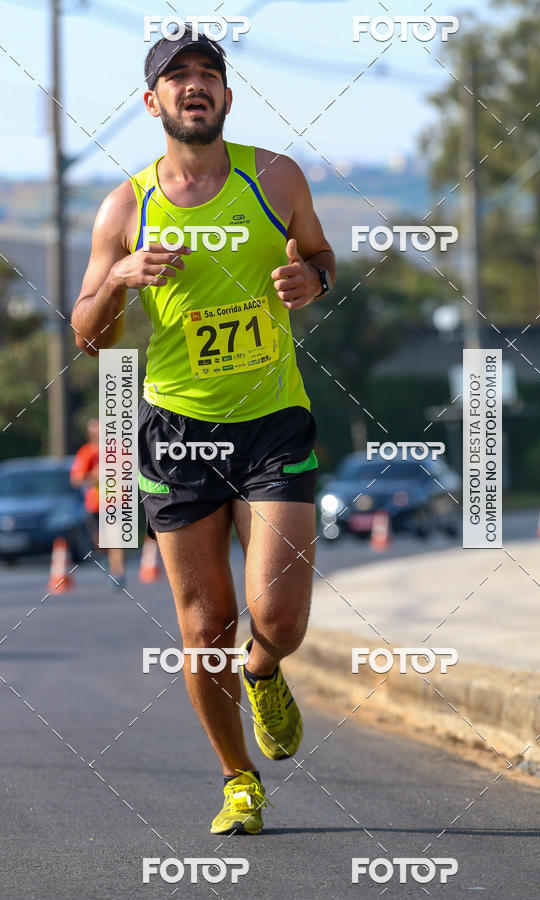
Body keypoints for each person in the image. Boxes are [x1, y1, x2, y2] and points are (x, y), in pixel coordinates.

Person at [71, 29, 335, 835]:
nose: (194, 86)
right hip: (178, 430)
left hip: (272, 421)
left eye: (208, 76)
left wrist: (309, 277)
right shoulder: (127, 206)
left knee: (278, 618)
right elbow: (89, 333)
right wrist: (118, 277)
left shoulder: (274, 177)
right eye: (176, 78)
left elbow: (321, 256)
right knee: (203, 624)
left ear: (226, 97)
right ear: (151, 103)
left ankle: (265, 672)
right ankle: (239, 780)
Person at [70, 418, 126, 589]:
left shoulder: (118, 449)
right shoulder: (86, 452)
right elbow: (76, 479)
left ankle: (118, 574)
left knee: (116, 538)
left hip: (115, 502)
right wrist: (94, 475)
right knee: (101, 541)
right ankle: (106, 556)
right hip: (95, 504)